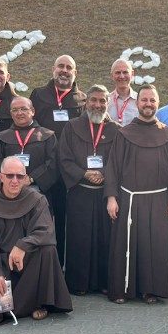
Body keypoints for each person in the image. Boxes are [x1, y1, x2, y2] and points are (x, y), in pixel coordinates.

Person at [104, 84, 168, 304]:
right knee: (126, 244)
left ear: (158, 103)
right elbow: (113, 167)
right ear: (137, 103)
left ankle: (152, 290)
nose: (148, 104)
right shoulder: (124, 133)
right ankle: (123, 289)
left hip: (159, 199)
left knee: (155, 245)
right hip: (130, 198)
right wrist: (112, 197)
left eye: (152, 100)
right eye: (144, 100)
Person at [0, 157, 73, 324]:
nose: (15, 181)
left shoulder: (37, 199)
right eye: (10, 176)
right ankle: (26, 305)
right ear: (1, 177)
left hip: (28, 262)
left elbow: (46, 231)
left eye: (20, 176)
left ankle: (41, 303)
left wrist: (22, 245)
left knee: (48, 249)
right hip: (1, 264)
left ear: (26, 178)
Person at [58, 85, 120, 295]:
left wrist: (102, 172)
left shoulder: (116, 129)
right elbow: (64, 158)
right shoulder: (71, 127)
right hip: (80, 191)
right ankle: (79, 284)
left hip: (104, 192)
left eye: (102, 101)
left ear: (108, 103)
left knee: (105, 238)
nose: (97, 104)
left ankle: (103, 282)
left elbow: (118, 161)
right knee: (80, 238)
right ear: (86, 103)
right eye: (93, 100)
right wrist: (84, 173)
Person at [30, 55, 83, 265]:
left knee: (67, 218)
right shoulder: (39, 95)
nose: (64, 70)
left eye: (69, 67)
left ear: (75, 72)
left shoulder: (82, 99)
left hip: (70, 169)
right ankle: (43, 263)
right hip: (44, 166)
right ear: (53, 69)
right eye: (60, 66)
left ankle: (65, 263)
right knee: (42, 216)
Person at [0, 96, 58, 196]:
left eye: (23, 109)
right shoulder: (2, 137)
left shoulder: (47, 135)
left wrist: (32, 178)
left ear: (32, 111)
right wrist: (14, 179)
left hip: (39, 190)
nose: (19, 113)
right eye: (15, 110)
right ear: (11, 114)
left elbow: (53, 162)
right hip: (10, 188)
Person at [107, 59, 138, 126]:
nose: (122, 76)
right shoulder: (106, 102)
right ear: (112, 76)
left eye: (125, 72)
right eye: (118, 72)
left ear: (132, 74)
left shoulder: (140, 101)